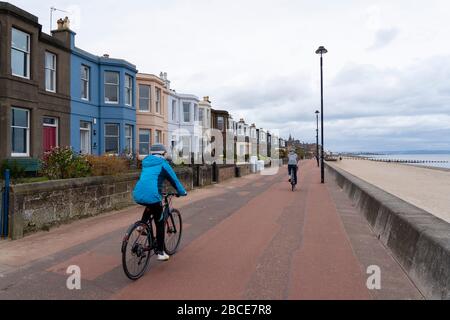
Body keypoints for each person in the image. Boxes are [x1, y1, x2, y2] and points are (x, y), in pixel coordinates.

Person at [132, 144, 187, 262]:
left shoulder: (145, 162)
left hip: (138, 193)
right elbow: (174, 180)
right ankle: (161, 253)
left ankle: (142, 225)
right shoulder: (163, 164)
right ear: (163, 154)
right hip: (153, 194)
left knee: (150, 205)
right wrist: (182, 192)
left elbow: (150, 179)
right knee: (160, 222)